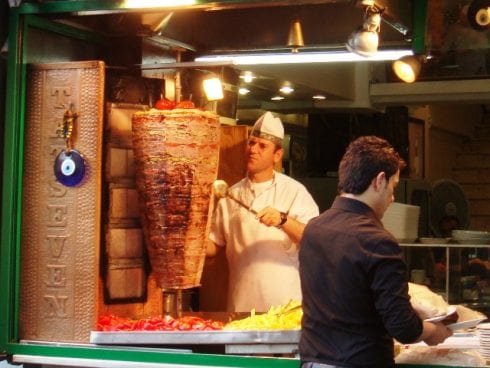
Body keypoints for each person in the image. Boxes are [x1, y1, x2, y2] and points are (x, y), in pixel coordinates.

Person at [299, 136, 452, 368]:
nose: (392, 198)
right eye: (394, 187)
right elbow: (403, 327)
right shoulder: (378, 241)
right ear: (380, 181)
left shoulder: (313, 229)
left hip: (312, 361)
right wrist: (434, 331)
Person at [207, 111, 319, 312]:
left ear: (277, 155)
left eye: (262, 146)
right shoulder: (230, 194)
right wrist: (187, 238)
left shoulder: (294, 191)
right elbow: (214, 245)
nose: (253, 150)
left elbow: (313, 238)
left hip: (285, 306)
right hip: (241, 303)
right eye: (251, 143)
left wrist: (282, 220)